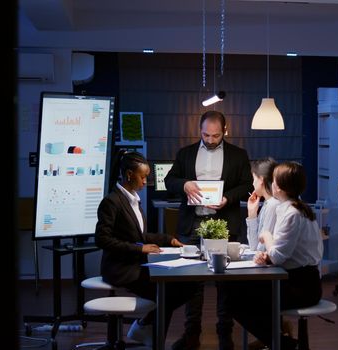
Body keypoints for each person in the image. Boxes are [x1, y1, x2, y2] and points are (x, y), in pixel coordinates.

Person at [165, 110, 253, 350]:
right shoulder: (185, 153)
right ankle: (191, 335)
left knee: (226, 283)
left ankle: (225, 334)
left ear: (224, 131)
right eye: (206, 135)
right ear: (199, 130)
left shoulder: (238, 154)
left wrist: (227, 198)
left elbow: (247, 185)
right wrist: (184, 184)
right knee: (190, 281)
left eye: (215, 136)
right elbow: (168, 181)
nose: (210, 140)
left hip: (225, 223)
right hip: (192, 223)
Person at [95, 151, 198, 346]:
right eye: (142, 177)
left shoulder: (133, 199)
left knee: (188, 286)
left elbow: (140, 236)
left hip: (134, 264)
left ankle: (146, 327)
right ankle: (149, 333)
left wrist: (169, 240)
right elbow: (102, 240)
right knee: (167, 290)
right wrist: (139, 250)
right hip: (120, 268)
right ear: (128, 175)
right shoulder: (111, 202)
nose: (145, 182)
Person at [223, 162, 323, 350]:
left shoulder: (292, 213)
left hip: (301, 286)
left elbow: (278, 255)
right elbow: (284, 252)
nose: (272, 184)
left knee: (234, 301)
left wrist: (267, 239)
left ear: (280, 187)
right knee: (236, 296)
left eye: (274, 181)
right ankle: (278, 340)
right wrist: (267, 256)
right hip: (299, 280)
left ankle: (283, 344)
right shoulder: (294, 209)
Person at [246, 157, 280, 251]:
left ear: (261, 180)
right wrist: (252, 214)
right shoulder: (267, 203)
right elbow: (254, 246)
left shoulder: (273, 204)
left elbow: (261, 248)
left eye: (254, 179)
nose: (253, 183)